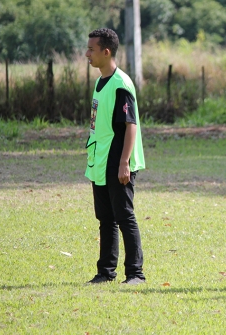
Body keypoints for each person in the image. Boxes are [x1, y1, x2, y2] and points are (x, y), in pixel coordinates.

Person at [84, 28, 146, 285]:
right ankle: (105, 273)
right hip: (100, 160)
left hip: (118, 160)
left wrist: (124, 163)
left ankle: (135, 274)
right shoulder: (100, 82)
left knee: (124, 216)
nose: (87, 54)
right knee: (105, 219)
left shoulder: (122, 83)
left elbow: (130, 125)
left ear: (105, 51)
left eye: (91, 49)